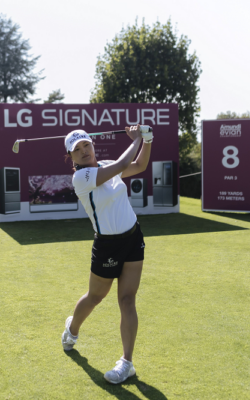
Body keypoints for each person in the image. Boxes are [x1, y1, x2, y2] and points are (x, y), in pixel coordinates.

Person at [61, 124, 153, 384]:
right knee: (95, 297)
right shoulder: (81, 178)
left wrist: (148, 139)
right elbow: (126, 161)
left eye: (86, 145)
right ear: (71, 157)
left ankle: (127, 363)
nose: (83, 151)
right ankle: (72, 330)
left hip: (133, 238)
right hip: (107, 245)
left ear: (92, 144)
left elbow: (139, 166)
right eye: (76, 150)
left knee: (127, 300)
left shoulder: (108, 163)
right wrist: (136, 138)